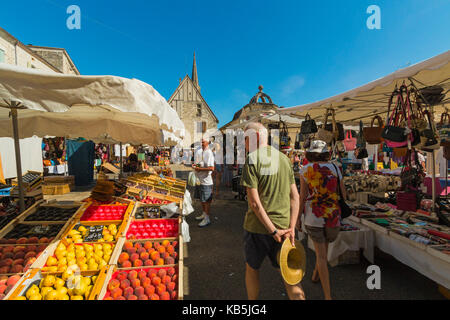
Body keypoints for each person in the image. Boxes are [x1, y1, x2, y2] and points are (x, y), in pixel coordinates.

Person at [240, 122, 305, 300]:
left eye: (245, 139)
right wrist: (291, 227)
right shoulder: (284, 159)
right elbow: (295, 197)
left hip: (258, 229)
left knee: (252, 270)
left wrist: (272, 230)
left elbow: (254, 203)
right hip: (285, 228)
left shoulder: (252, 159)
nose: (244, 143)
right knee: (291, 276)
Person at [298, 140, 346, 300]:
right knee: (323, 253)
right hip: (332, 217)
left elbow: (303, 197)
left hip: (314, 217)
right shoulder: (335, 168)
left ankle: (327, 296)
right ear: (326, 153)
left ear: (310, 153)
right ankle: (315, 276)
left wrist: (297, 218)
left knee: (321, 256)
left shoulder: (305, 169)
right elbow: (343, 195)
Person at [193, 139, 215, 227]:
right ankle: (204, 214)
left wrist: (199, 169)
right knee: (202, 199)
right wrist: (195, 166)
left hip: (207, 181)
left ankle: (207, 219)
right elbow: (200, 164)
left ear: (208, 142)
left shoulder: (209, 153)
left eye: (204, 140)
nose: (202, 141)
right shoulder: (201, 151)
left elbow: (211, 168)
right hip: (200, 180)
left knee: (206, 201)